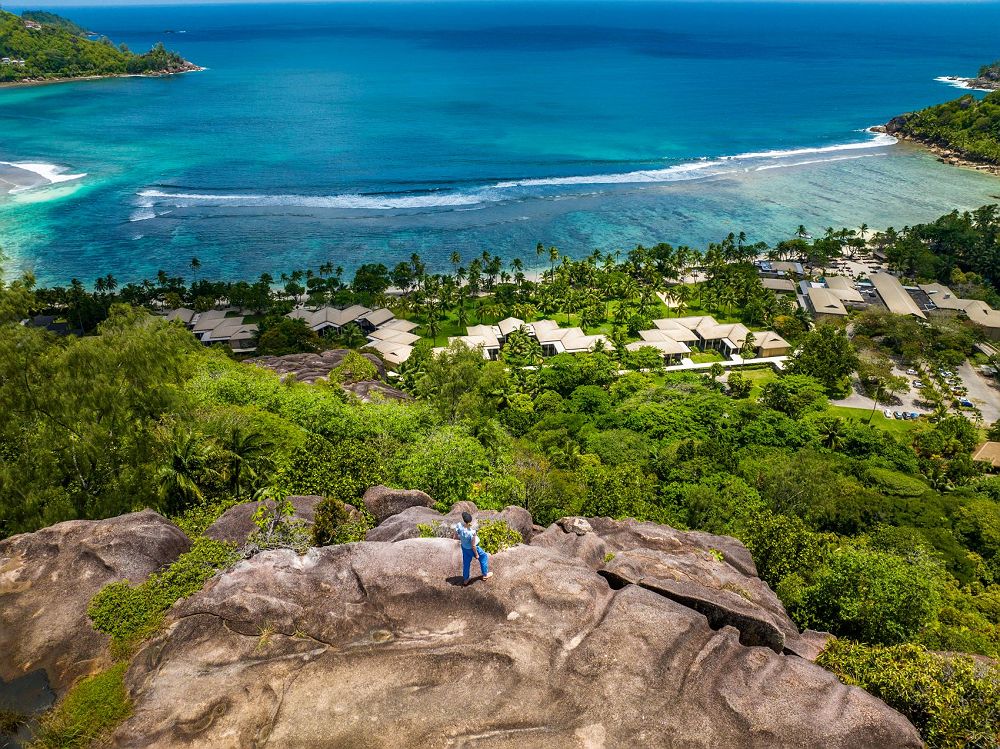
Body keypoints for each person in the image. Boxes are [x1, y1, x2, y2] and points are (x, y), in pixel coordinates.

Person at [454, 511, 491, 586]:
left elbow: (456, 534)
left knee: (466, 563)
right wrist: (476, 554)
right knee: (483, 557)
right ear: (470, 521)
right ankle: (485, 575)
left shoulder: (459, 525)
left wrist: (457, 538)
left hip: (464, 548)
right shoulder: (471, 532)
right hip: (472, 549)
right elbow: (473, 545)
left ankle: (466, 579)